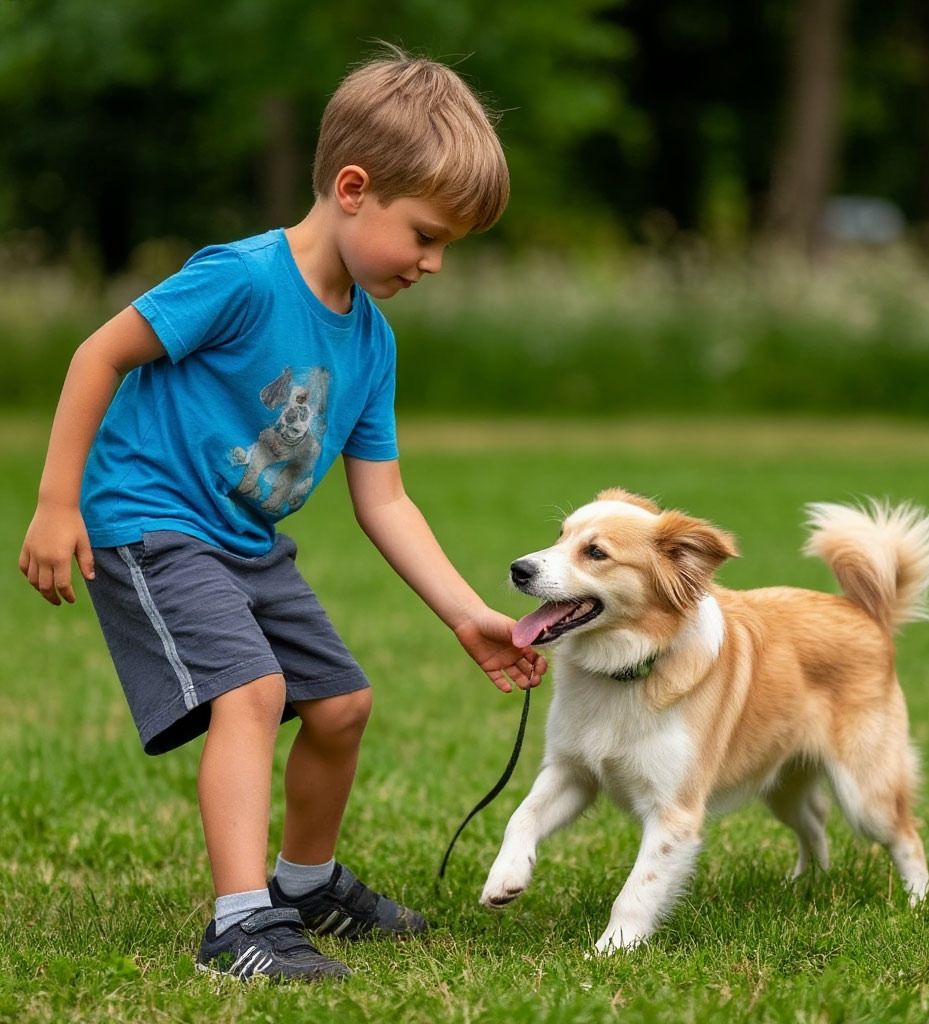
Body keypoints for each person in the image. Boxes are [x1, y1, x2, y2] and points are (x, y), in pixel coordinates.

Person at [18, 46, 545, 982]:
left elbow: (383, 498)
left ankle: (303, 887)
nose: (432, 263)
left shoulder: (372, 340)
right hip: (149, 516)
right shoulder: (241, 278)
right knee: (254, 694)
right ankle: (238, 927)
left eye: (446, 248)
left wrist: (468, 613)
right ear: (354, 187)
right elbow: (98, 354)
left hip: (245, 542)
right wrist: (57, 503)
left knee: (342, 704)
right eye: (424, 235)